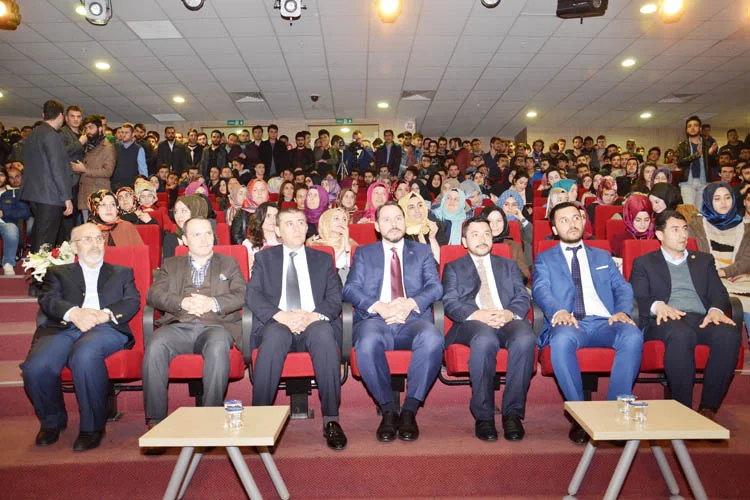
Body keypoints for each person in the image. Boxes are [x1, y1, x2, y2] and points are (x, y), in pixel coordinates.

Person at [20, 223, 140, 451]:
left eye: (98, 239)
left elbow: (132, 301)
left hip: (106, 328)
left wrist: (104, 314)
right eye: (87, 239)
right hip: (64, 327)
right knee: (35, 367)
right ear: (74, 247)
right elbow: (48, 300)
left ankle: (92, 427)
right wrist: (74, 313)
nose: (95, 244)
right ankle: (52, 421)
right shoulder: (58, 273)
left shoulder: (122, 272)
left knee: (85, 354)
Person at [532, 202, 642, 444]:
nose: (571, 224)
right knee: (561, 340)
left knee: (632, 335)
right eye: (563, 220)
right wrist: (558, 311)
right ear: (554, 228)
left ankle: (615, 413)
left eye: (575, 218)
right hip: (570, 322)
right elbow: (541, 290)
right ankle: (580, 416)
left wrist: (622, 311)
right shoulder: (545, 259)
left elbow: (622, 288)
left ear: (583, 222)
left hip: (605, 322)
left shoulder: (602, 255)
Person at [342, 201, 444, 443]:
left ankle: (409, 410)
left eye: (398, 218)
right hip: (375, 319)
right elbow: (350, 289)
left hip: (412, 319)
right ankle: (388, 409)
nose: (394, 223)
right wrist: (381, 307)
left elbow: (435, 287)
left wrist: (409, 304)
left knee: (432, 338)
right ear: (377, 226)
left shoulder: (422, 251)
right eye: (386, 219)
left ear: (405, 222)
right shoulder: (364, 253)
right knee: (367, 343)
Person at [247, 207, 347, 450]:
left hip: (314, 322)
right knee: (273, 337)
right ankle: (259, 419)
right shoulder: (265, 259)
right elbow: (253, 295)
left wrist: (312, 316)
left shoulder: (323, 259)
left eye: (301, 222)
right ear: (278, 231)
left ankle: (331, 420)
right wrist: (281, 316)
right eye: (290, 223)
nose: (297, 228)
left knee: (324, 334)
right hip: (278, 322)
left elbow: (335, 298)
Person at [631, 210, 741, 420]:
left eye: (684, 229)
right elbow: (637, 297)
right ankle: (682, 410)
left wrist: (715, 310)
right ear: (660, 234)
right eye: (675, 230)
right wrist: (658, 306)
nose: (683, 235)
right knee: (681, 334)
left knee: (728, 334)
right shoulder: (644, 263)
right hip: (664, 320)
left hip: (700, 318)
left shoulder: (703, 260)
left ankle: (708, 408)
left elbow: (719, 293)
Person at [142, 217, 246, 433]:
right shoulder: (171, 264)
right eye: (197, 234)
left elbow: (242, 294)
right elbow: (154, 294)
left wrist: (212, 303)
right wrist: (182, 302)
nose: (205, 239)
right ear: (185, 240)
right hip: (178, 325)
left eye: (208, 233)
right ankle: (156, 420)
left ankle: (210, 416)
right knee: (156, 344)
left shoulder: (229, 263)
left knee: (218, 346)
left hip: (217, 326)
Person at [442, 217, 536, 442]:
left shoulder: (508, 265)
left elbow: (522, 296)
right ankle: (484, 416)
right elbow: (450, 302)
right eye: (475, 235)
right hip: (471, 322)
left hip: (506, 318)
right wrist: (479, 314)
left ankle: (512, 414)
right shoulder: (454, 267)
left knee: (525, 338)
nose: (482, 239)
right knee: (485, 340)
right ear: (464, 241)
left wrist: (509, 313)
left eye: (486, 234)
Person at [686, 182, 750, 330]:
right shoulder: (696, 226)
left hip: (739, 278)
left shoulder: (746, 227)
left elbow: (747, 260)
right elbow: (693, 255)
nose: (723, 203)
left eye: (727, 197)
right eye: (717, 199)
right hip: (708, 278)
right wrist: (714, 273)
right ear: (708, 201)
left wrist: (724, 272)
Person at [19, 100, 74, 252]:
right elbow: (57, 168)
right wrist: (66, 197)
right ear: (61, 116)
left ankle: (36, 265)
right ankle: (40, 268)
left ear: (43, 115)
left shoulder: (33, 134)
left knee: (39, 236)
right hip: (50, 194)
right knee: (45, 241)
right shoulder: (52, 135)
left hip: (34, 193)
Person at [480, 206, 530, 282]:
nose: (495, 225)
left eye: (499, 221)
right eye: (489, 221)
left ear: (504, 223)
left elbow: (526, 275)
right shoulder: (475, 245)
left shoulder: (513, 246)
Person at [677, 115, 717, 206]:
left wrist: (710, 154)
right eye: (689, 126)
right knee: (690, 210)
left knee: (701, 211)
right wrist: (696, 155)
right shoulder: (682, 145)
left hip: (704, 181)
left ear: (700, 129)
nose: (692, 128)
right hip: (687, 182)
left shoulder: (708, 144)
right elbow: (680, 163)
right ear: (686, 130)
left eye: (695, 125)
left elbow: (715, 164)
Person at [307, 207, 358, 279]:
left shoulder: (352, 243)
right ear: (326, 221)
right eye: (336, 218)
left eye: (344, 219)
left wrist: (346, 244)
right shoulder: (318, 245)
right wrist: (341, 249)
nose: (341, 222)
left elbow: (356, 267)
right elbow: (323, 269)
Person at [163, 195, 208, 260]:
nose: (178, 216)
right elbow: (167, 265)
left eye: (184, 211)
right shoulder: (170, 239)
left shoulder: (208, 237)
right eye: (175, 212)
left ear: (195, 212)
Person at [241, 201, 280, 273]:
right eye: (268, 216)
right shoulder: (248, 244)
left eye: (276, 216)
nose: (273, 220)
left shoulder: (285, 242)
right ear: (260, 218)